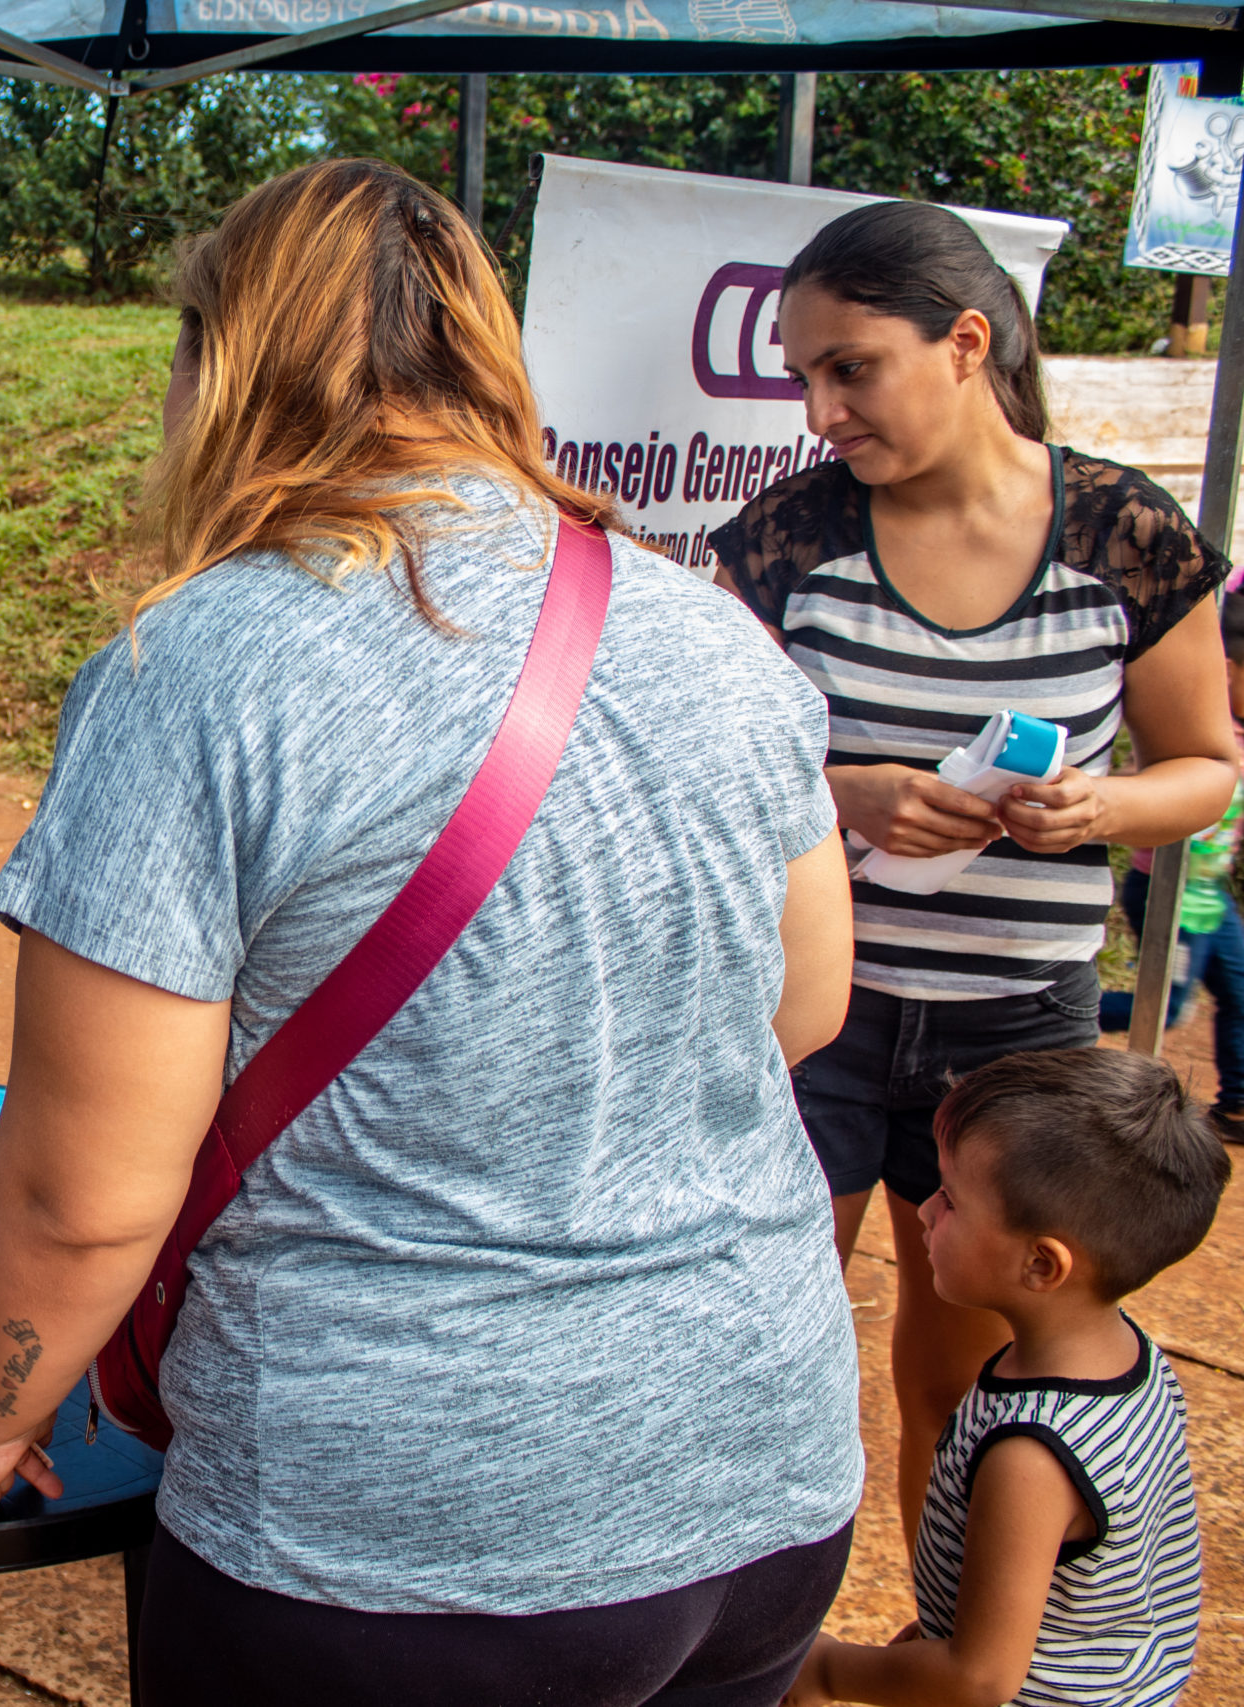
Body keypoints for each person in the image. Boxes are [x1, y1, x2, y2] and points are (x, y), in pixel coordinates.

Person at [0, 158, 864, 1706]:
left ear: (219, 364)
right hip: (759, 1465)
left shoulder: (202, 665)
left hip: (392, 1531)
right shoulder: (716, 627)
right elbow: (807, 1003)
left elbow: (84, 1189)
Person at [706, 198, 1237, 1547]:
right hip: (809, 1019)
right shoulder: (782, 540)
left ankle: (939, 1649)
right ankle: (755, 1650)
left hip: (1017, 1039)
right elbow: (700, 773)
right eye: (805, 375)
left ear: (965, 344)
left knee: (959, 1383)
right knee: (756, 1366)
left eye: (849, 367)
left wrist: (1095, 806)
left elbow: (1204, 763)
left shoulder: (1125, 532)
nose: (820, 411)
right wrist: (845, 795)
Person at [785, 1048, 1222, 1707]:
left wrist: (828, 1670)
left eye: (951, 1200)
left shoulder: (1031, 1454)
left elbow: (979, 1677)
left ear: (1043, 1265)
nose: (925, 1211)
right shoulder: (1130, 1354)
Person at [1097, 595, 1244, 1139]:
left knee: (1240, 994)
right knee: (1169, 1006)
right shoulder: (1197, 731)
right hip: (1169, 890)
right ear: (1228, 672)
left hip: (1212, 896)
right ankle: (1067, 1020)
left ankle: (1237, 1105)